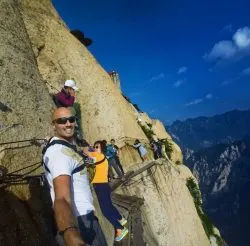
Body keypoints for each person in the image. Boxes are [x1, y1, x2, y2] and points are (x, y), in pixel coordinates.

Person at [43, 107, 107, 246]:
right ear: (53, 125)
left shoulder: (65, 148)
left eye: (71, 119)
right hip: (80, 222)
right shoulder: (59, 153)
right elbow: (61, 198)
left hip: (85, 218)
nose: (68, 124)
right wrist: (69, 232)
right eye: (61, 121)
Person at [80, 140, 128, 242]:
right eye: (94, 146)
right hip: (104, 185)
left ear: (101, 149)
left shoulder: (98, 157)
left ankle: (120, 228)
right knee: (109, 205)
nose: (94, 148)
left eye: (97, 147)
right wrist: (90, 148)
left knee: (105, 211)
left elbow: (85, 152)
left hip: (100, 186)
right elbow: (89, 158)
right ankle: (121, 219)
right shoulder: (102, 158)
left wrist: (85, 146)